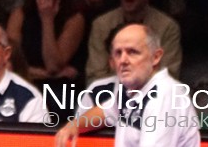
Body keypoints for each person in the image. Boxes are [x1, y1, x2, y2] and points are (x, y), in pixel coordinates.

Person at [53, 22, 199, 147]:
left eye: (132, 52)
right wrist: (74, 125)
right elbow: (105, 112)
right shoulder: (133, 89)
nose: (123, 60)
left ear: (156, 57)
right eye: (118, 53)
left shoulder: (165, 96)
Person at [84, 0, 182, 81]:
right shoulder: (101, 25)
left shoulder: (167, 27)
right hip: (111, 90)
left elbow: (169, 75)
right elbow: (95, 75)